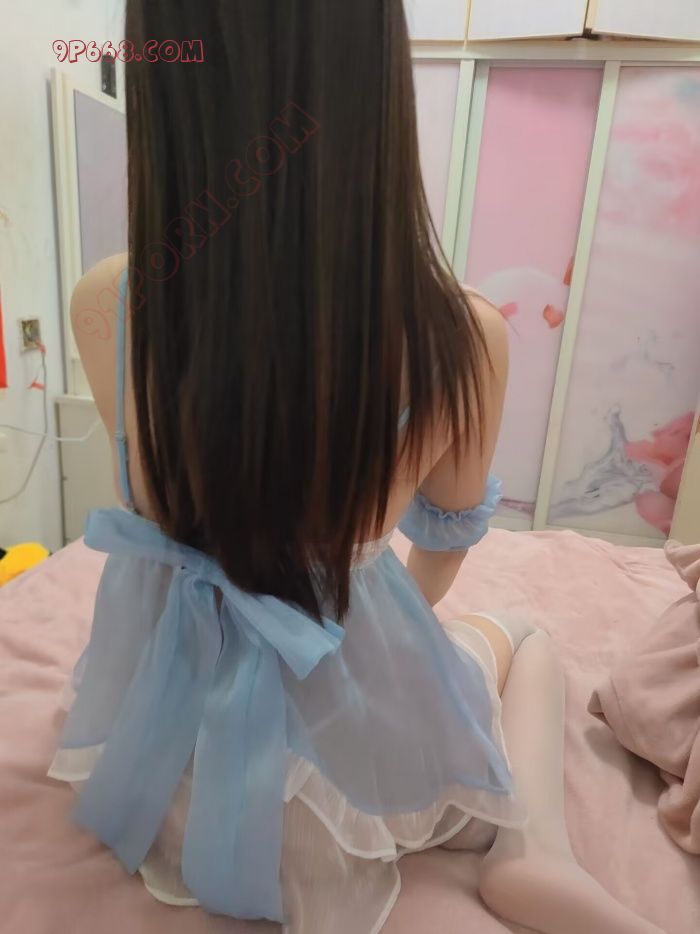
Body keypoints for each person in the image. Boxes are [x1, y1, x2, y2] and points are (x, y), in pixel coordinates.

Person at [50, 2, 663, 932]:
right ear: (377, 86)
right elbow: (441, 556)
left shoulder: (111, 301)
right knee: (526, 637)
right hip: (343, 807)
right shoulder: (460, 337)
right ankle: (538, 854)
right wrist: (368, 645)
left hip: (166, 780)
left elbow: (156, 540)